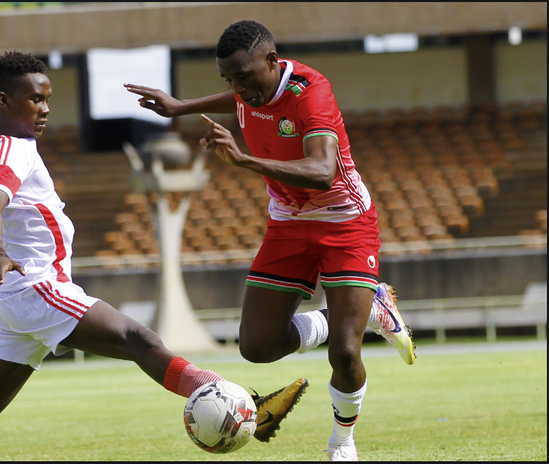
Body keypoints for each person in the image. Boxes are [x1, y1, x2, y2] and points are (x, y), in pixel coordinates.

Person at [0, 46, 307, 462]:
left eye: (47, 99)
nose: (45, 109)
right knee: (138, 338)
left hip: (17, 302)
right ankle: (247, 403)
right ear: (5, 100)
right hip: (36, 285)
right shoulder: (11, 151)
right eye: (35, 100)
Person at [125, 20, 416, 461]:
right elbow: (241, 99)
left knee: (344, 351)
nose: (238, 89)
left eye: (243, 77)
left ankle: (342, 443)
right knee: (257, 347)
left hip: (344, 220)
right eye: (229, 79)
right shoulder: (250, 89)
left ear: (272, 62)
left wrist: (243, 160)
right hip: (287, 221)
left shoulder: (311, 93)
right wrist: (181, 107)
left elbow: (323, 172)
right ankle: (370, 309)